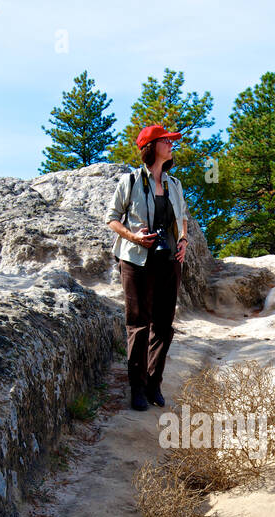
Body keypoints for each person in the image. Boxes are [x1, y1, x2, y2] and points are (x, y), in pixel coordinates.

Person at [106, 124, 190, 411]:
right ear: (151, 146)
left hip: (169, 261)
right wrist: (133, 237)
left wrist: (183, 240)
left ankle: (155, 383)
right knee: (139, 325)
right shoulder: (130, 181)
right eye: (166, 140)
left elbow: (183, 217)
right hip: (136, 260)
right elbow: (112, 218)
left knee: (164, 326)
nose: (171, 144)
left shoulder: (174, 184)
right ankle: (138, 388)